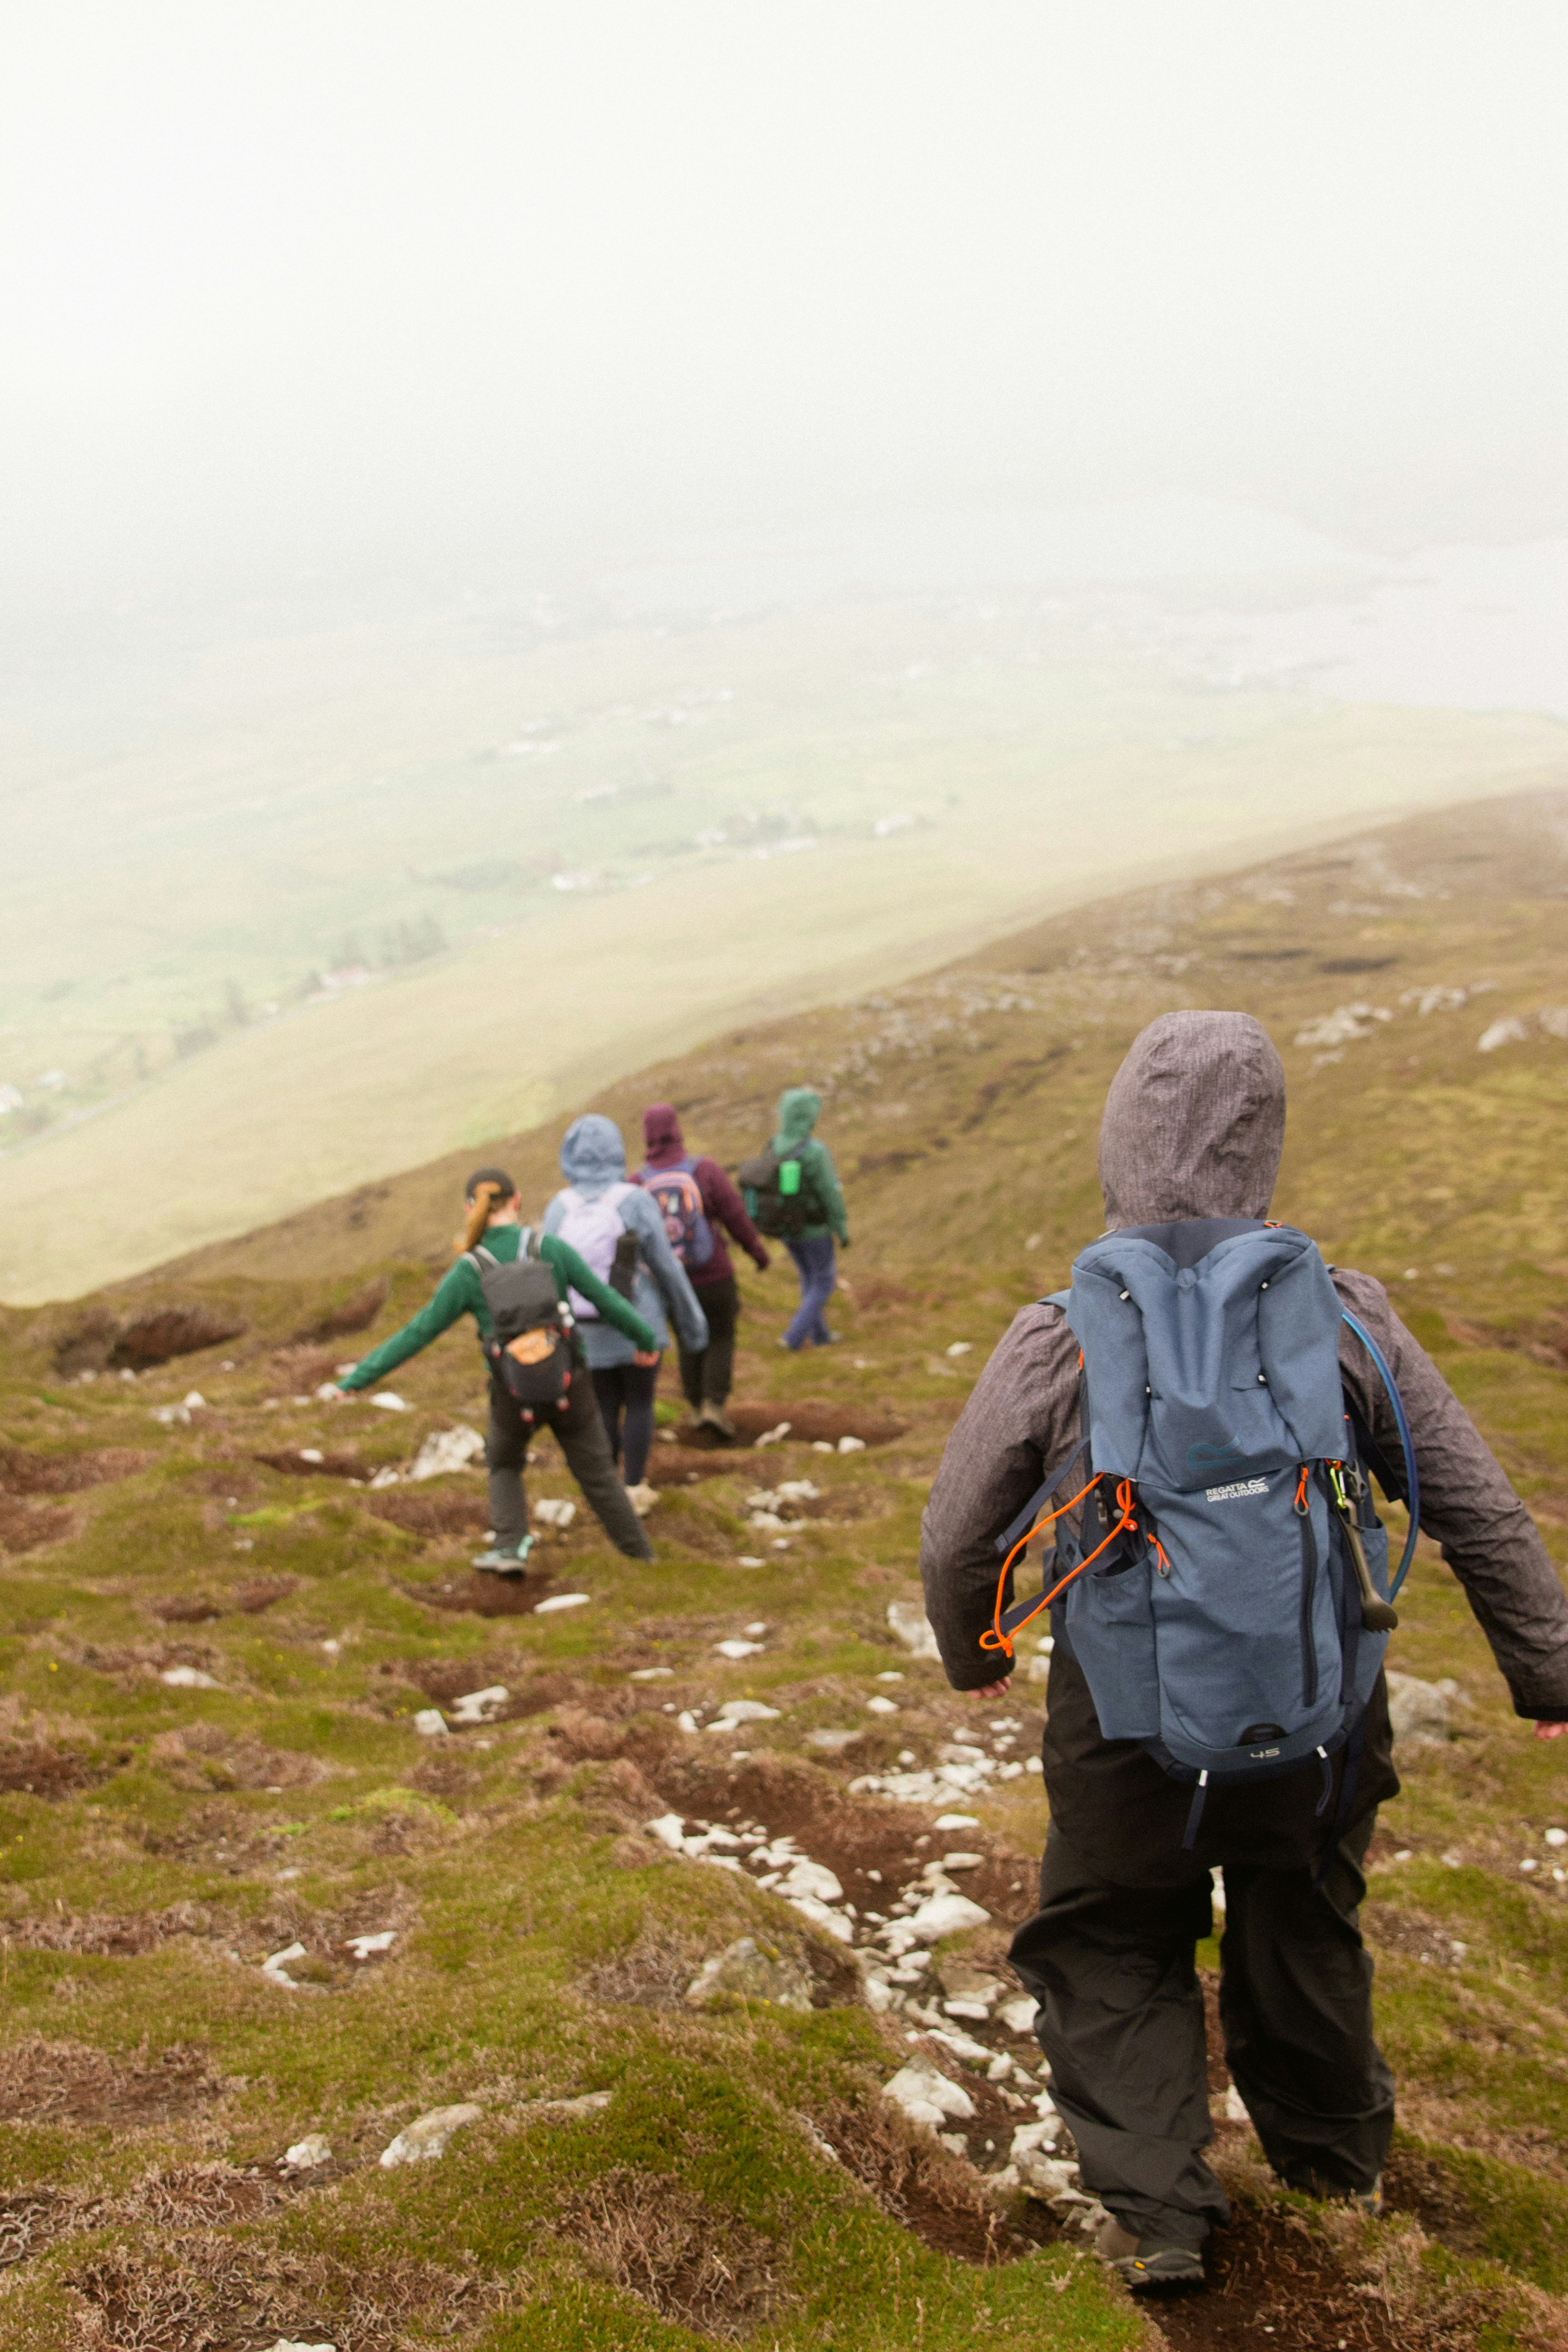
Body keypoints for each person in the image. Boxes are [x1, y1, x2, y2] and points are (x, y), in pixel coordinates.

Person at [918, 1011, 1568, 2294]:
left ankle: (1161, 2216)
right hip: (1314, 1710)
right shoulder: (1344, 1316)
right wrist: (1547, 1670)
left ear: (1116, 1143)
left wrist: (972, 1651)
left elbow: (954, 1536)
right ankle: (1337, 2177)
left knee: (1111, 1932)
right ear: (1261, 1141)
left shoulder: (1058, 1331)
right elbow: (1475, 1501)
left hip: (1121, 1717)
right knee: (1303, 1920)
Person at [330, 1166, 657, 1568]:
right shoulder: (551, 1249)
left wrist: (355, 1381)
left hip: (512, 1392)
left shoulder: (470, 1271)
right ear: (517, 1202)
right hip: (570, 1384)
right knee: (600, 1477)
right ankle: (642, 1558)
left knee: (503, 1463)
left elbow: (417, 1334)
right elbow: (608, 1301)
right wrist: (645, 1340)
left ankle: (509, 1546)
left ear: (470, 1209)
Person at [542, 1114, 709, 1497]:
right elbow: (668, 1268)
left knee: (602, 1405)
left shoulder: (558, 1208)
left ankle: (607, 1491)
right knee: (639, 1402)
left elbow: (546, 1276)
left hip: (585, 1330)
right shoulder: (634, 1200)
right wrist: (692, 1326)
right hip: (638, 1323)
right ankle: (634, 1485)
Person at [637, 1101, 770, 1438]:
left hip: (669, 1281)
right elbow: (735, 1215)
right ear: (676, 1129)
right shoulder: (704, 1170)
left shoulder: (637, 1182)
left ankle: (696, 1408)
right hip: (714, 1274)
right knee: (721, 1336)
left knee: (687, 1339)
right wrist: (758, 1254)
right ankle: (714, 1405)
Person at [767, 1087, 850, 1350]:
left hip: (787, 1230)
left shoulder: (774, 1145)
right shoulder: (814, 1152)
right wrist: (842, 1229)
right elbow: (830, 1195)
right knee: (824, 1281)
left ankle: (821, 1336)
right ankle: (794, 1337)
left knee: (809, 1278)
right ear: (807, 1116)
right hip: (814, 1231)